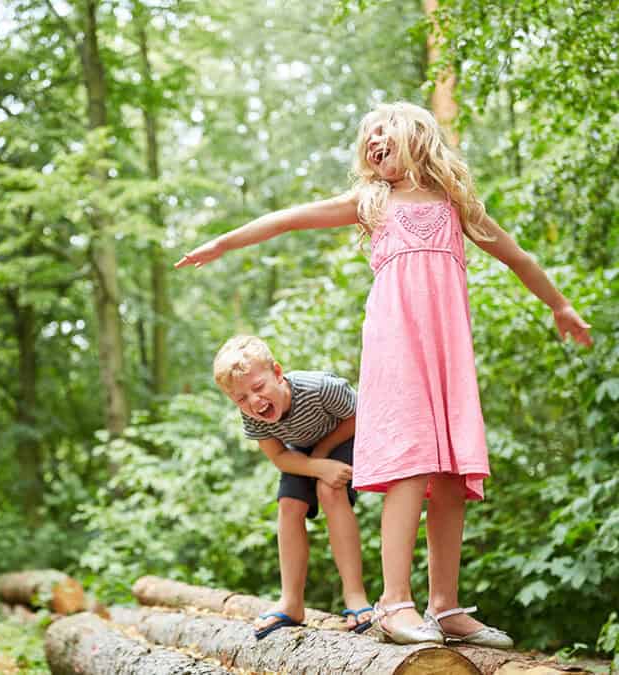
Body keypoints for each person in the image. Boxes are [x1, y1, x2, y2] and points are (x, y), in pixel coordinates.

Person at [176, 102, 592, 647]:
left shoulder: (455, 204)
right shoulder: (372, 203)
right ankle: (395, 601)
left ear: (416, 136)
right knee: (412, 465)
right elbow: (288, 218)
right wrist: (224, 242)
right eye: (366, 137)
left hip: (448, 351)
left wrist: (560, 306)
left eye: (383, 132)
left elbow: (519, 257)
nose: (373, 141)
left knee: (449, 471)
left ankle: (445, 607)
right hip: (397, 350)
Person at [213, 335, 373, 640]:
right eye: (241, 399)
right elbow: (280, 457)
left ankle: (355, 597)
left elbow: (359, 417)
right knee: (289, 504)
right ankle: (292, 602)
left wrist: (323, 454)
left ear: (277, 372)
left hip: (345, 438)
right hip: (299, 455)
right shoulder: (254, 419)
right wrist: (315, 465)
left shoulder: (321, 388)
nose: (254, 402)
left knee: (330, 491)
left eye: (258, 388)